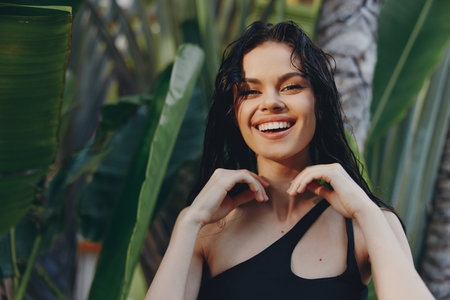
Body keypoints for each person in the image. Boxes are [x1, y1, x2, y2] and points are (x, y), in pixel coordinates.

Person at [145, 21, 434, 300]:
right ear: (235, 112)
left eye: (291, 86)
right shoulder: (207, 233)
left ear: (319, 104)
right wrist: (189, 221)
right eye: (250, 91)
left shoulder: (366, 225)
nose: (270, 103)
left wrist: (365, 211)